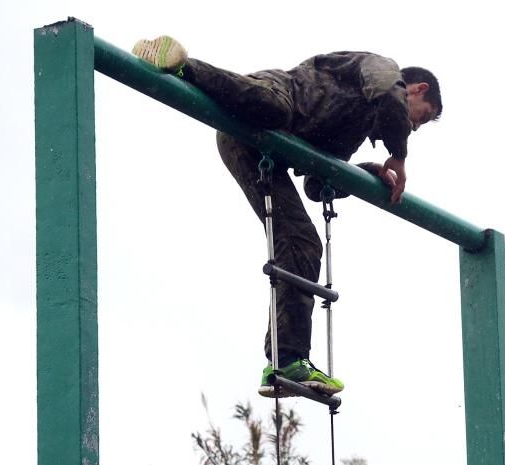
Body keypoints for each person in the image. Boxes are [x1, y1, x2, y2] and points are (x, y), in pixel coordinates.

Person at [132, 36, 443, 397]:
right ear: (417, 89)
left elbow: (315, 183)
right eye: (419, 118)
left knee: (302, 243)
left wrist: (362, 174)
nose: (413, 128)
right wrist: (399, 155)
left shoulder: (354, 127)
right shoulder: (382, 69)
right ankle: (182, 65)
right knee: (274, 109)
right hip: (269, 105)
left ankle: (288, 361)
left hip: (258, 151)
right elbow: (390, 96)